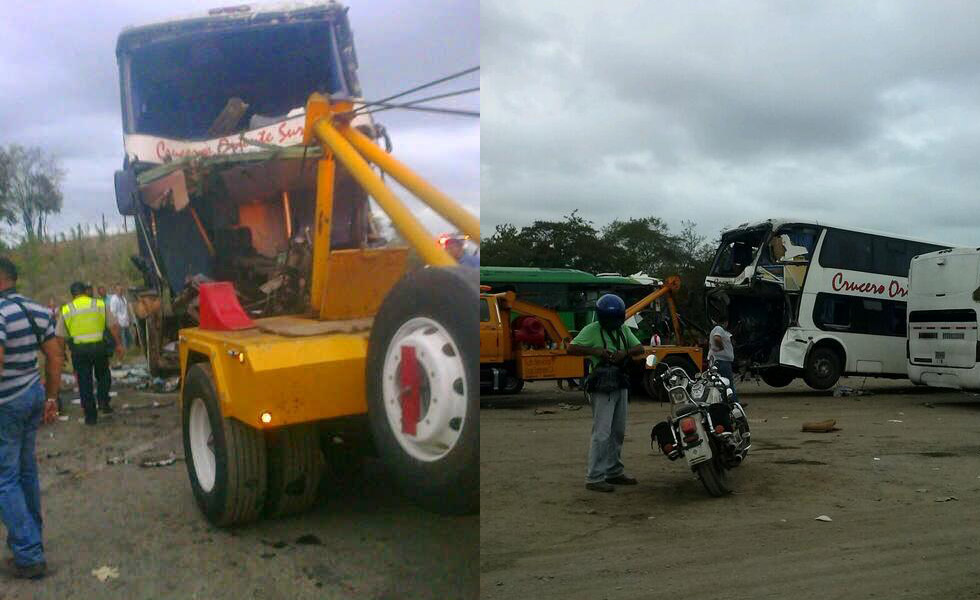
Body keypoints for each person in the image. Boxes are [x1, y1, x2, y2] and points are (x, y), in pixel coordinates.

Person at [0, 256, 63, 579]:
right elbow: (54, 355)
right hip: (31, 394)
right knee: (25, 473)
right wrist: (51, 397)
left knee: (4, 479)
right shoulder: (37, 309)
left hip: (6, 402)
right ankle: (30, 540)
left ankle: (28, 553)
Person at [568, 294, 645, 493]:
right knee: (602, 432)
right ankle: (594, 477)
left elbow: (639, 347)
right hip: (602, 386)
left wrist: (624, 353)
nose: (612, 323)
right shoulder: (591, 330)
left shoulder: (623, 330)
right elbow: (571, 348)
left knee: (618, 430)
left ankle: (613, 470)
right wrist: (597, 352)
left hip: (620, 382)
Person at [55, 282, 123, 424]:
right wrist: (118, 344)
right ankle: (103, 402)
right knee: (103, 376)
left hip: (79, 352)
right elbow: (114, 326)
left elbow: (60, 336)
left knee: (84, 383)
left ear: (72, 294)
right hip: (99, 348)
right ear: (85, 292)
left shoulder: (67, 309)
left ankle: (90, 417)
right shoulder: (99, 304)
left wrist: (61, 354)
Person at [709, 316, 739, 404]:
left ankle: (726, 402)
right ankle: (734, 403)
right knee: (728, 383)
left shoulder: (717, 329)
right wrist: (721, 347)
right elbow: (717, 338)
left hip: (720, 361)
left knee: (722, 383)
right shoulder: (719, 328)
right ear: (725, 322)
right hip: (722, 361)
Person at [108, 285, 132, 352]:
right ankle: (125, 353)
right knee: (123, 339)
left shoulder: (123, 298)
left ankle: (130, 351)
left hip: (125, 322)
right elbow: (113, 312)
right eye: (119, 290)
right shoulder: (114, 299)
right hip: (120, 323)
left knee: (129, 339)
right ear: (115, 290)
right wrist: (116, 323)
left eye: (121, 289)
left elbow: (126, 310)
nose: (120, 291)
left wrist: (129, 319)